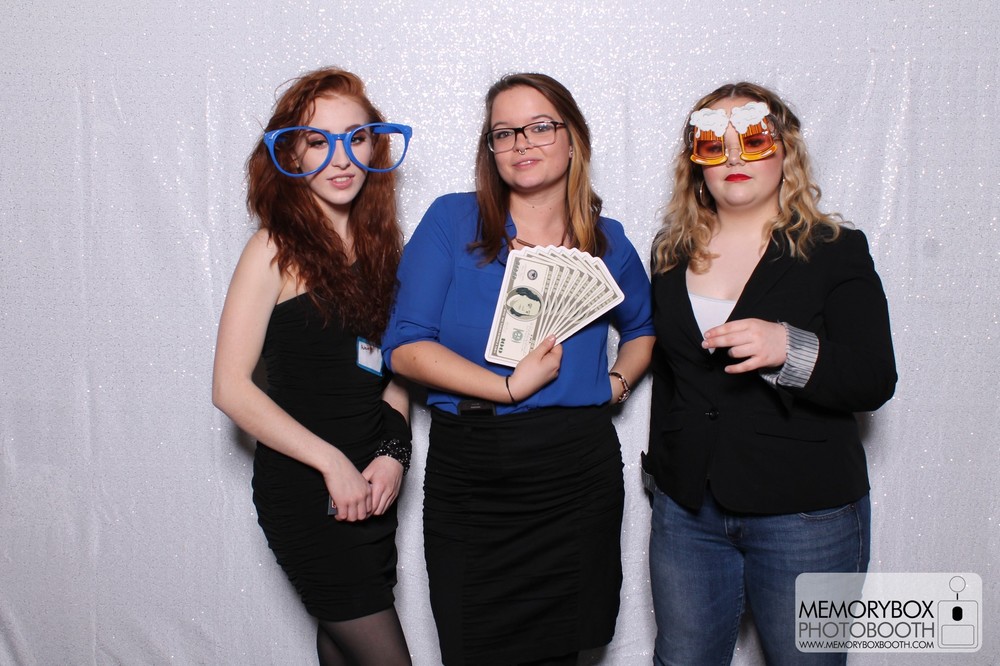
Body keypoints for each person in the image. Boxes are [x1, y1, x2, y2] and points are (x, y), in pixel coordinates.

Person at [382, 73, 654, 665]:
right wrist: (505, 387)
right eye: (504, 132)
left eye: (540, 127)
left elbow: (643, 329)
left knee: (568, 650)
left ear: (573, 138)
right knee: (472, 646)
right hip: (473, 470)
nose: (522, 143)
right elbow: (404, 347)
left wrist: (617, 383)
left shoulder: (606, 243)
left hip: (577, 472)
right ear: (491, 149)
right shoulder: (453, 220)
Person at [643, 82, 897, 665]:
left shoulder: (834, 249)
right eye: (715, 144)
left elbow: (874, 377)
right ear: (696, 162)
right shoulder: (670, 252)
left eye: (754, 139)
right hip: (688, 514)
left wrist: (790, 347)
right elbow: (673, 380)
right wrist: (665, 479)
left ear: (786, 151)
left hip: (805, 514)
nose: (734, 156)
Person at [212, 67, 414, 666]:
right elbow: (229, 388)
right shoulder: (271, 249)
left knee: (342, 646)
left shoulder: (385, 250)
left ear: (375, 146)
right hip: (310, 489)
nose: (341, 157)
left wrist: (393, 454)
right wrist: (332, 464)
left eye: (356, 137)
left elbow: (396, 371)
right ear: (291, 153)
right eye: (318, 140)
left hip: (371, 490)